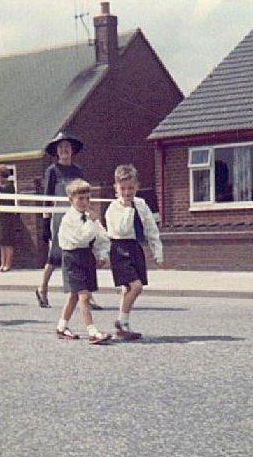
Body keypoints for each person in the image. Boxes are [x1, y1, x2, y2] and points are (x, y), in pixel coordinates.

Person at [35, 132, 101, 310]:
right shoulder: (52, 171)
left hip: (77, 213)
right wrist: (45, 222)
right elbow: (47, 197)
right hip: (59, 216)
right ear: (56, 151)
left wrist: (88, 212)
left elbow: (83, 193)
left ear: (72, 150)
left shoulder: (78, 171)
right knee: (56, 255)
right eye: (60, 148)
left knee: (83, 251)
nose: (64, 150)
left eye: (67, 147)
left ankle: (87, 295)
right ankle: (42, 288)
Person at [104, 164, 163, 339]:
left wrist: (157, 251)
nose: (127, 192)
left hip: (135, 247)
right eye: (123, 188)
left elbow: (151, 228)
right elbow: (121, 230)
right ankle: (121, 320)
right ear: (116, 187)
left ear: (137, 186)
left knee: (127, 289)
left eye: (130, 188)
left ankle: (123, 327)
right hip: (120, 248)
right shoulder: (113, 208)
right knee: (136, 287)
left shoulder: (142, 204)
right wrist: (127, 208)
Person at [56, 179, 111, 344]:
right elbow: (81, 238)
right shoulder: (69, 219)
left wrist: (102, 254)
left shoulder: (89, 217)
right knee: (84, 296)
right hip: (72, 257)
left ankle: (61, 327)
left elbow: (102, 236)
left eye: (87, 198)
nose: (84, 202)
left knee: (74, 295)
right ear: (71, 200)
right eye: (80, 199)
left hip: (86, 256)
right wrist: (93, 222)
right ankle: (92, 331)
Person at [0, 165, 18, 272]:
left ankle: (8, 264)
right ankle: (2, 264)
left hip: (8, 216)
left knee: (8, 242)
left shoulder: (9, 186)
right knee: (1, 242)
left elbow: (5, 199)